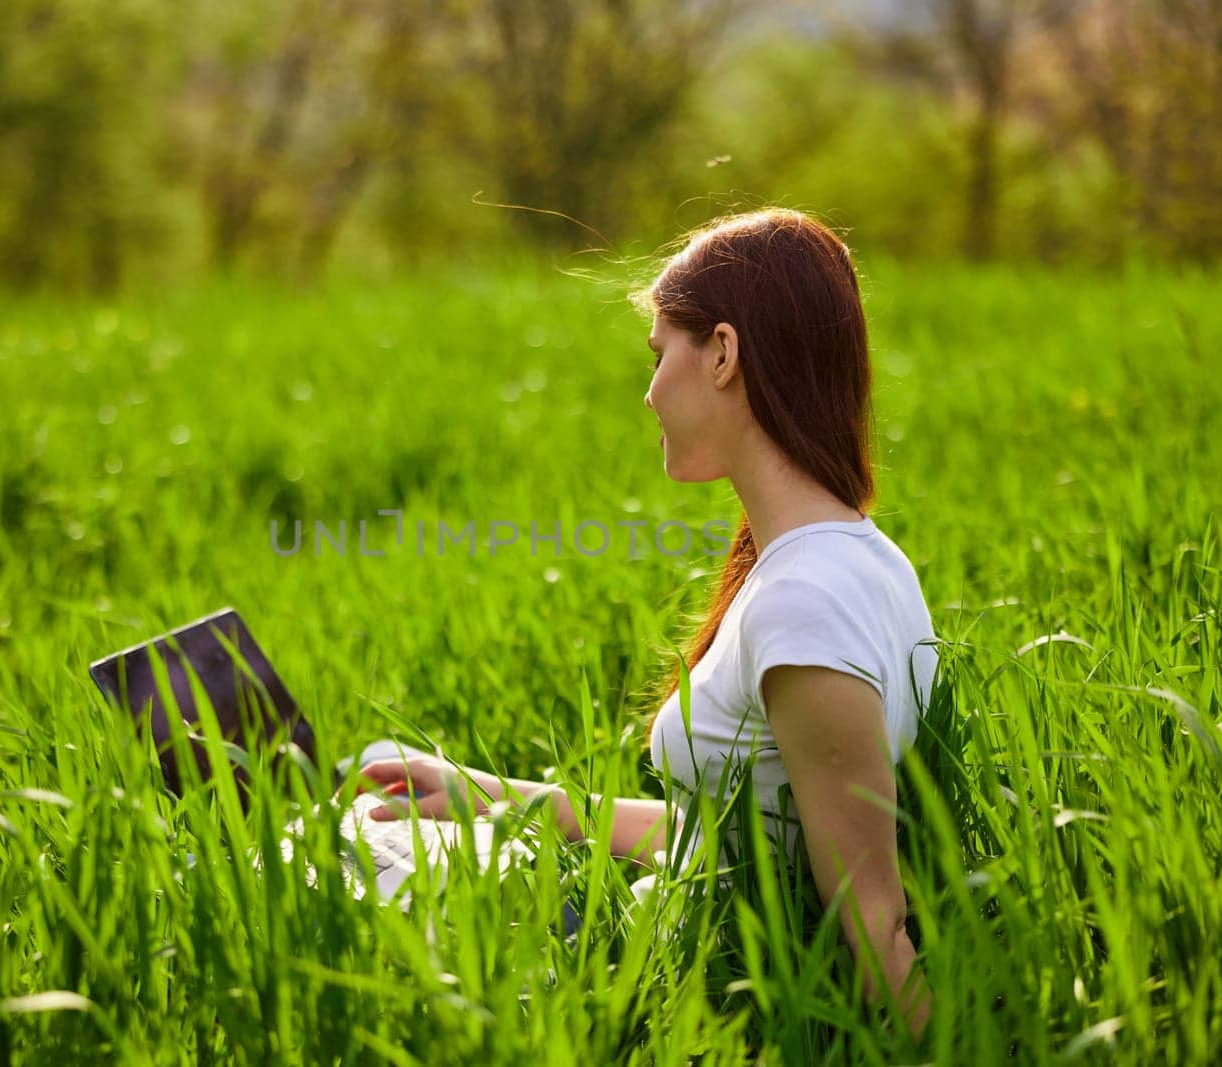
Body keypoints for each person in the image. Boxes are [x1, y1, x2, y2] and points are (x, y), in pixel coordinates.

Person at [352, 208, 937, 1041]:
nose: (649, 390)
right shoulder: (861, 561)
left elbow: (873, 920)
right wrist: (496, 795)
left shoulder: (803, 603)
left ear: (725, 354)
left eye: (660, 355)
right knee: (364, 785)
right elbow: (731, 844)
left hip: (644, 975)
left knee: (296, 857)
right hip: (648, 930)